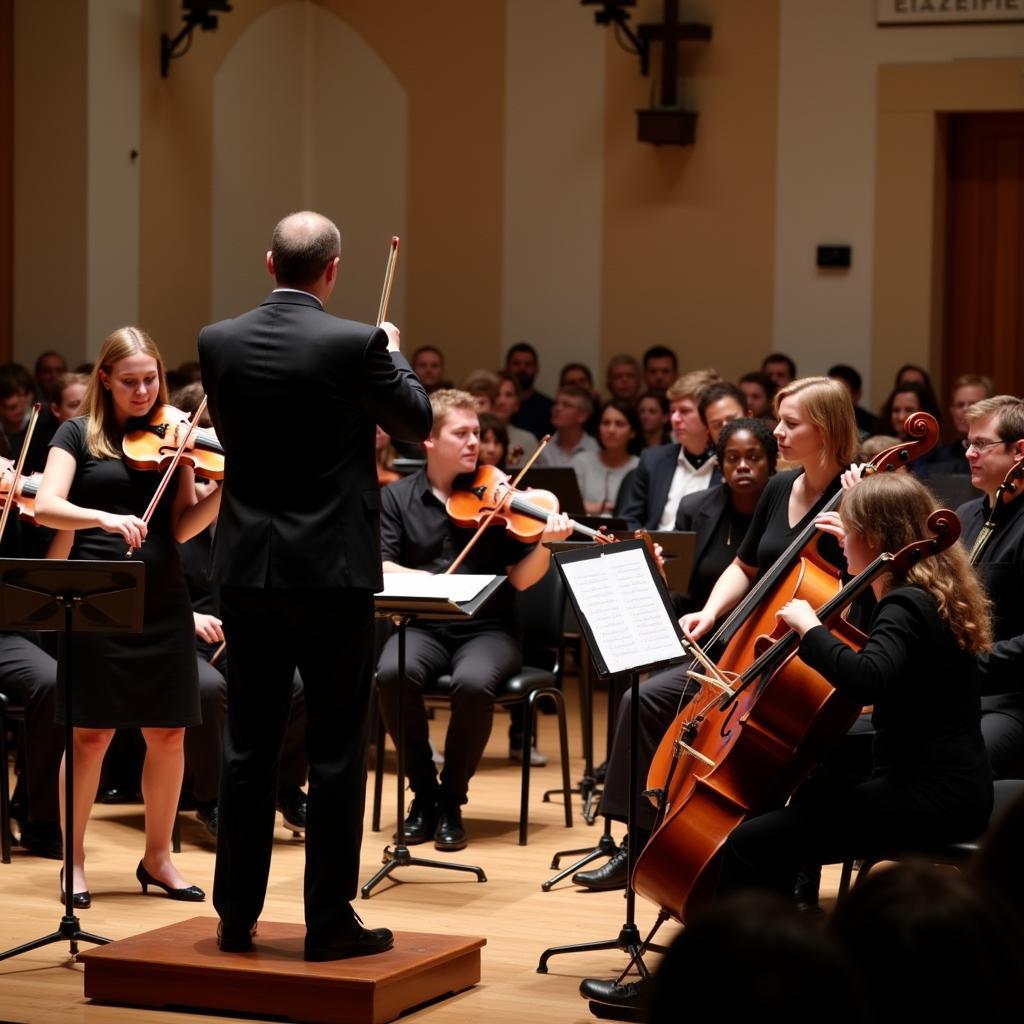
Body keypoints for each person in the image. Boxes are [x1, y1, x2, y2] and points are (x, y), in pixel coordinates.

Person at [198, 211, 432, 960]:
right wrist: (391, 356)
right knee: (334, 749)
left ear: (270, 263)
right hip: (331, 573)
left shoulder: (218, 340)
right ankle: (328, 924)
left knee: (248, 746)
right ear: (331, 270)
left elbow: (241, 439)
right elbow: (417, 423)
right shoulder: (356, 341)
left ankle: (235, 916)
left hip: (248, 568)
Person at [575, 377, 856, 891]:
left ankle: (784, 865)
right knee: (645, 700)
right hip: (746, 650)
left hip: (810, 664)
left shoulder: (857, 495)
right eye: (779, 420)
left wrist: (864, 521)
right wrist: (709, 612)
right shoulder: (779, 488)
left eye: (790, 424)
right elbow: (746, 566)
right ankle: (637, 843)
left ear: (827, 430)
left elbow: (873, 588)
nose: (778, 433)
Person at [716, 472, 993, 899]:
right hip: (954, 786)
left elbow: (867, 680)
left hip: (928, 799)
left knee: (748, 842)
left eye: (851, 530)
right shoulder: (927, 589)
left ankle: (758, 951)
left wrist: (811, 629)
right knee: (813, 789)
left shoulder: (905, 602)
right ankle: (794, 915)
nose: (842, 540)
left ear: (876, 535)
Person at [35, 325, 222, 908]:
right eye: (132, 382)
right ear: (106, 380)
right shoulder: (76, 434)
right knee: (90, 736)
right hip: (98, 593)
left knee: (167, 733)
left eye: (152, 380)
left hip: (164, 595)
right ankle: (75, 861)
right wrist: (104, 518)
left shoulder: (176, 436)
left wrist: (229, 491)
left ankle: (158, 857)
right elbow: (46, 506)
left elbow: (183, 525)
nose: (144, 392)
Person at [573, 416, 777, 891]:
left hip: (763, 651)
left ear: (771, 462)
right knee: (638, 701)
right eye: (732, 458)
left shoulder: (780, 509)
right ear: (719, 462)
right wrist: (659, 580)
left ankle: (704, 841)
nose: (743, 467)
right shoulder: (696, 507)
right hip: (706, 647)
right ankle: (636, 842)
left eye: (753, 458)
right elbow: (682, 607)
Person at [376, 390, 571, 851]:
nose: (474, 444)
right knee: (391, 673)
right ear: (429, 439)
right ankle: (422, 792)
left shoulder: (497, 496)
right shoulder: (397, 499)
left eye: (477, 434)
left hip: (489, 628)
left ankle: (451, 800)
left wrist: (545, 543)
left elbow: (522, 581)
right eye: (460, 433)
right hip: (422, 624)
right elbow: (382, 568)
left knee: (473, 683)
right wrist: (436, 582)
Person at [957, 395, 1024, 778]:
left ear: (1020, 451)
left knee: (960, 765)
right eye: (969, 443)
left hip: (1012, 699)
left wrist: (968, 665)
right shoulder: (965, 516)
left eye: (981, 444)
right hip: (959, 694)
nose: (969, 453)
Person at [619, 369, 722, 532]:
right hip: (653, 551)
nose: (674, 419)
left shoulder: (730, 466)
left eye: (685, 411)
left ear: (710, 414)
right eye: (673, 411)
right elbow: (630, 520)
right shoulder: (652, 460)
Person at [573, 400, 641, 515]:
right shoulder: (581, 461)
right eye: (606, 423)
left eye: (619, 424)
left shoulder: (640, 466)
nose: (611, 430)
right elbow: (568, 505)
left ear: (632, 432)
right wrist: (599, 507)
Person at [536, 384, 598, 468]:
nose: (558, 408)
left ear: (582, 416)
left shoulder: (594, 450)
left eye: (566, 405)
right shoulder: (544, 448)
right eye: (556, 403)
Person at [505, 342, 553, 438]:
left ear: (536, 368)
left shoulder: (549, 407)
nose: (522, 368)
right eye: (516, 363)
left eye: (528, 364)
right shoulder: (498, 404)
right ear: (507, 367)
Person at [828, 363, 878, 436]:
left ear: (857, 394)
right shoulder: (818, 419)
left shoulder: (873, 424)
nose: (834, 397)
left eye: (841, 392)